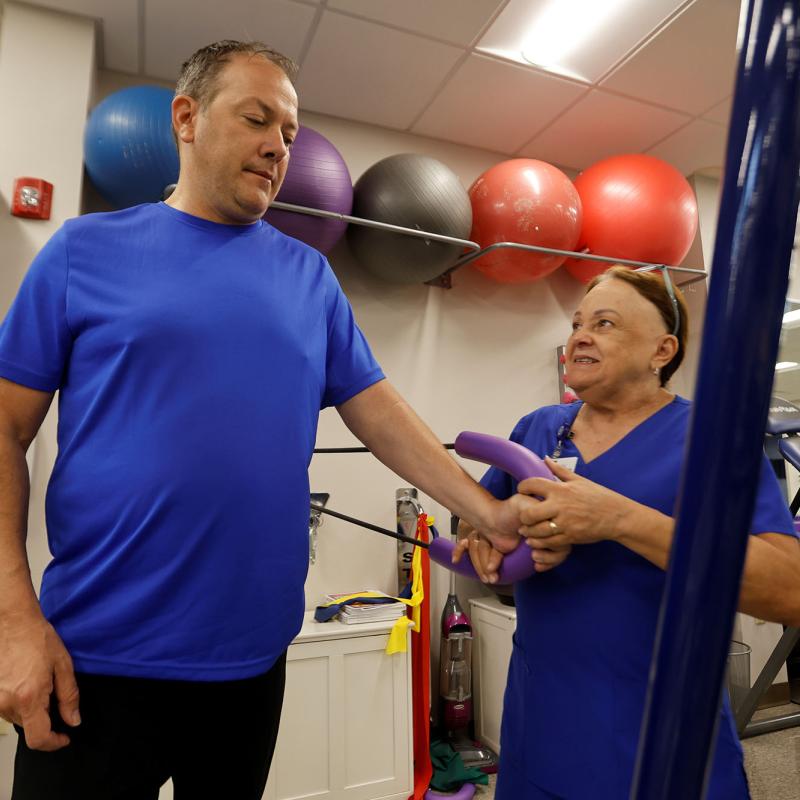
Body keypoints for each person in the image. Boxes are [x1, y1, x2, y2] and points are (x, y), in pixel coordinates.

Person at [0, 40, 543, 799]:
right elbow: (6, 428)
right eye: (257, 120)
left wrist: (486, 511)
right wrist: (12, 620)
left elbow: (379, 411)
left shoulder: (307, 276)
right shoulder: (82, 252)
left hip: (250, 666)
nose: (278, 147)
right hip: (96, 660)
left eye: (288, 133)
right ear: (186, 118)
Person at [456, 266, 800, 800]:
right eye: (577, 324)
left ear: (662, 350)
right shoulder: (539, 428)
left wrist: (620, 519)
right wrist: (480, 536)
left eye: (605, 323)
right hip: (541, 724)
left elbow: (788, 589)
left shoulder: (712, 439)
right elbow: (476, 520)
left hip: (663, 737)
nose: (580, 336)